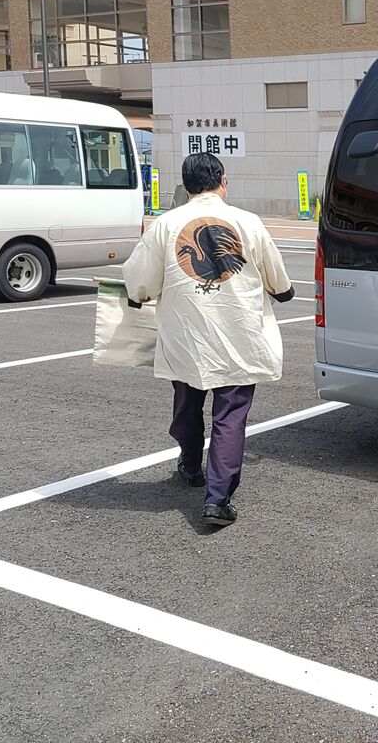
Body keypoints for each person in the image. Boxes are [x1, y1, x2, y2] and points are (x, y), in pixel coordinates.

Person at [123, 152, 295, 526]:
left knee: (187, 403)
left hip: (187, 337)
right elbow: (278, 281)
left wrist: (138, 295)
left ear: (186, 186)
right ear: (223, 181)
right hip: (238, 335)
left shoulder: (166, 224)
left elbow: (139, 283)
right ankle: (217, 500)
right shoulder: (249, 223)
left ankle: (189, 465)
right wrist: (282, 290)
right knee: (230, 416)